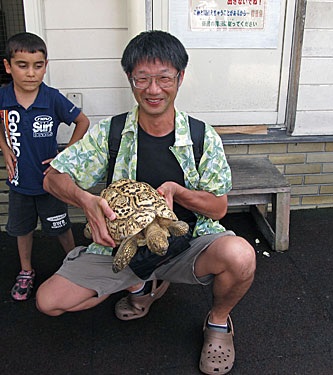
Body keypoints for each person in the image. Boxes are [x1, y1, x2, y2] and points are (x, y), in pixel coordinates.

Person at [36, 30, 255, 374]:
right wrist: (85, 200)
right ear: (130, 79)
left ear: (180, 78)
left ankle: (217, 321)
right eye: (143, 78)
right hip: (122, 244)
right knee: (48, 302)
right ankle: (137, 282)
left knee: (241, 255)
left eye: (164, 78)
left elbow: (218, 208)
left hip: (187, 243)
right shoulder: (110, 133)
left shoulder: (201, 137)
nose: (154, 89)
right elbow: (52, 177)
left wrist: (179, 192)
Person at [0, 32, 90, 301]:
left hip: (49, 182)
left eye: (38, 65)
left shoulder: (52, 98)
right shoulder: (1, 97)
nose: (31, 73)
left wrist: (64, 156)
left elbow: (83, 122)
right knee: (22, 229)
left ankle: (74, 264)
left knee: (61, 226)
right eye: (23, 65)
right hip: (18, 181)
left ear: (45, 65)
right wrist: (5, 148)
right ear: (8, 66)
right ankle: (26, 271)